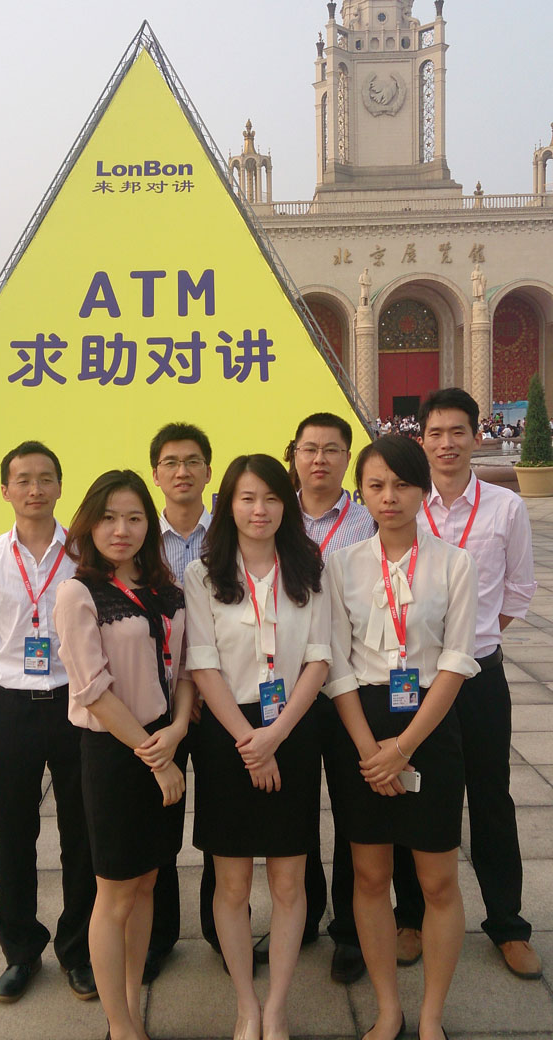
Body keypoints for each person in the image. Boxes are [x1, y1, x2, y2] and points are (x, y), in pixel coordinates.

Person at [326, 435, 479, 1040]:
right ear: (362, 492)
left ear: (421, 489)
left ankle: (432, 1015)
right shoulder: (342, 565)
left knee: (438, 880)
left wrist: (404, 748)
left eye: (402, 484)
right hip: (361, 727)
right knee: (370, 877)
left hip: (429, 725)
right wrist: (371, 751)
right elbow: (336, 664)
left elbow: (457, 661)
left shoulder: (454, 563)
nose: (389, 497)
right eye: (376, 485)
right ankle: (388, 1008)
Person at [394, 388, 541, 980]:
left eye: (458, 431)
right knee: (411, 792)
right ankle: (409, 917)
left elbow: (519, 588)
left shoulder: (505, 507)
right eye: (436, 433)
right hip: (415, 679)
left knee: (490, 797)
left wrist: (473, 640)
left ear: (478, 436)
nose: (447, 443)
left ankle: (507, 923)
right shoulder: (403, 503)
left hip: (479, 677)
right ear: (421, 439)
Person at [185, 454, 331, 1040]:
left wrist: (275, 737)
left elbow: (319, 658)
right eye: (246, 498)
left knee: (290, 882)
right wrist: (251, 743)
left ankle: (276, 1007)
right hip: (228, 735)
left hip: (291, 728)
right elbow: (202, 664)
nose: (259, 509)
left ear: (286, 505)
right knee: (232, 885)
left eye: (271, 497)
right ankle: (246, 1005)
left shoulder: (308, 568)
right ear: (228, 506)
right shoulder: (202, 575)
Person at [54, 469, 195, 1040]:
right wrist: (156, 758)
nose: (122, 529)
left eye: (134, 517)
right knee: (114, 892)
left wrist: (178, 729)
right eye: (109, 517)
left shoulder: (166, 589)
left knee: (146, 885)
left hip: (166, 740)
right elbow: (93, 690)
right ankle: (120, 1025)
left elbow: (185, 671)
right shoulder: (79, 593)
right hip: (117, 752)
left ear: (149, 525)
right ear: (90, 524)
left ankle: (132, 1007)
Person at [0, 441, 96, 1003]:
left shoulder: (83, 555)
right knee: (13, 834)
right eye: (23, 479)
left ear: (60, 486)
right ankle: (20, 951)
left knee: (82, 834)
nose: (35, 489)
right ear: (5, 490)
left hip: (75, 705)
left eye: (45, 478)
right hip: (10, 709)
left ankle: (78, 950)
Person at [283, 411, 376, 985]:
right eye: (309, 448)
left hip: (348, 687)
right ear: (293, 454)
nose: (319, 459)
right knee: (293, 812)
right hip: (286, 688)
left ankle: (350, 930)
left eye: (332, 449)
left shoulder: (368, 520)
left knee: (351, 812)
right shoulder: (272, 515)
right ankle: (302, 916)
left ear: (347, 458)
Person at [143, 421, 213, 982]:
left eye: (192, 461)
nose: (182, 471)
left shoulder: (231, 534)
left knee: (221, 823)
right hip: (158, 704)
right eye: (171, 462)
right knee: (157, 824)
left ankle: (222, 930)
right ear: (156, 474)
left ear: (208, 471)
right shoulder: (140, 542)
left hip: (220, 702)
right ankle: (157, 936)